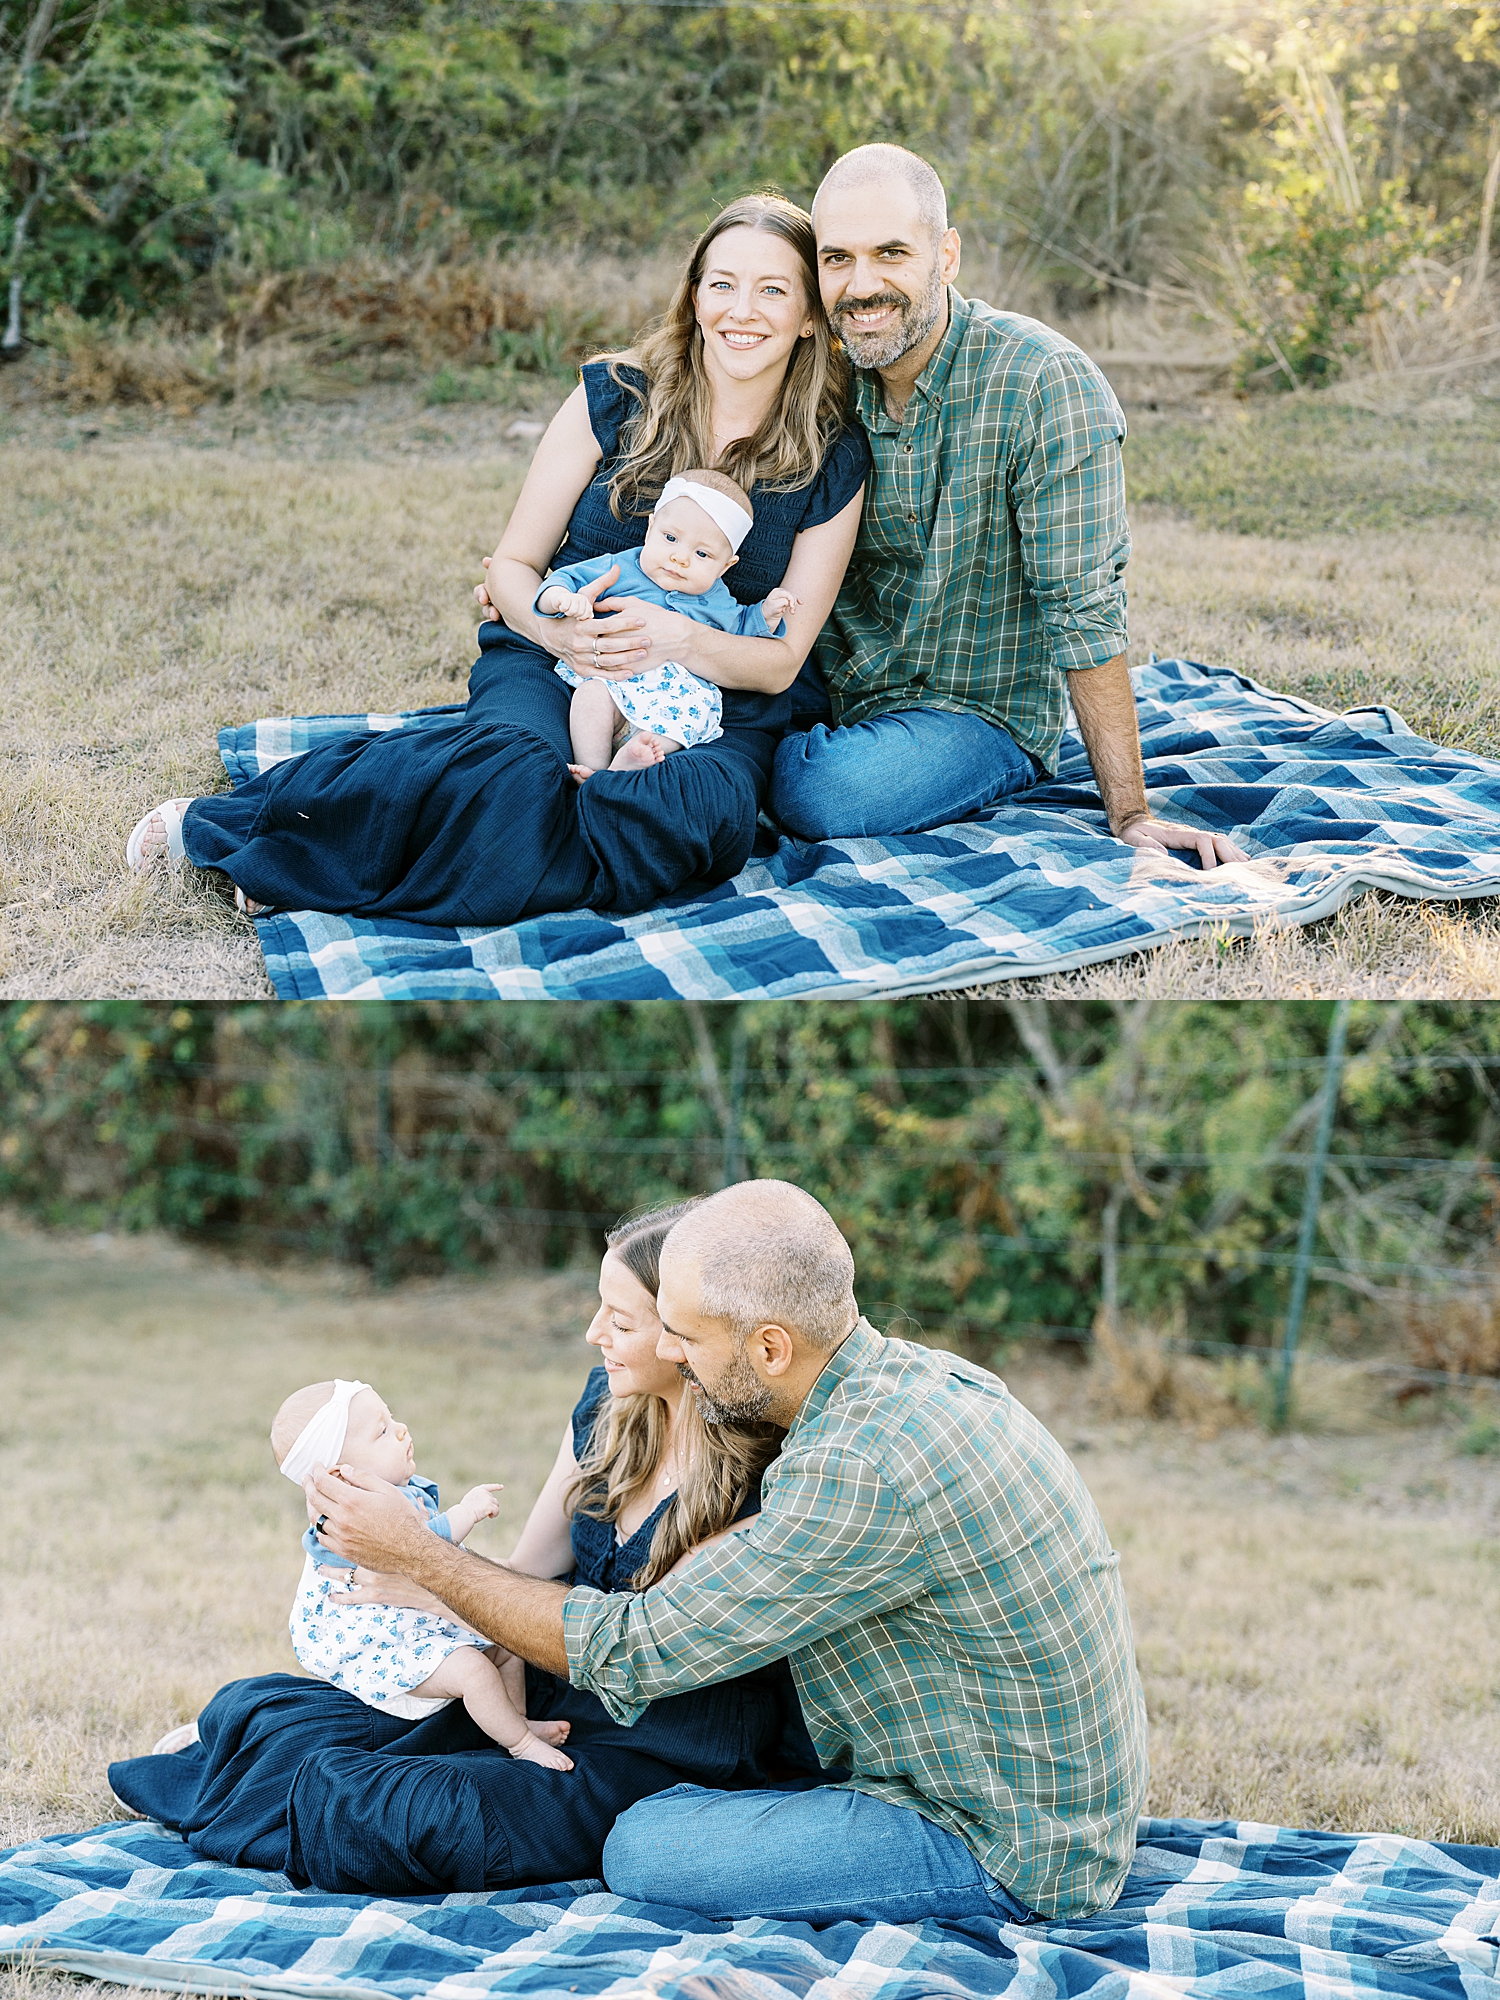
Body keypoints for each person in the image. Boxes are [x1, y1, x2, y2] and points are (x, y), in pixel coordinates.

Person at [308, 1178, 1151, 1929]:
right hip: (1052, 1798)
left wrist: (422, 1555)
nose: (669, 1353)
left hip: (1003, 1843)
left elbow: (636, 1649)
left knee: (646, 1846)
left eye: (685, 1336)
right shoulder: (919, 1383)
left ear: (770, 1348)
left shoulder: (853, 1470)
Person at [123, 193, 868, 924]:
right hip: (553, 662)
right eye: (723, 284)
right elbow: (512, 566)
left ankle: (355, 853)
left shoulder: (832, 455)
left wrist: (685, 641)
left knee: (695, 815)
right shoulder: (613, 396)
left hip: (709, 710)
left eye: (773, 290)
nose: (743, 311)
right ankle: (263, 827)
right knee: (514, 780)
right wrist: (559, 634)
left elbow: (780, 660)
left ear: (808, 317)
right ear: (695, 296)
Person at [107, 1203, 825, 1895]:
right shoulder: (609, 1406)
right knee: (264, 1708)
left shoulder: (770, 1475)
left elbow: (649, 1647)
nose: (591, 1332)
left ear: (683, 1332)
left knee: (397, 1811)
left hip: (662, 1740)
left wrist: (430, 1570)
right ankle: (253, 1769)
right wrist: (412, 1575)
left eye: (622, 1319)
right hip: (546, 1679)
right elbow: (528, 1571)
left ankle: (253, 1787)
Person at [767, 142, 1249, 871]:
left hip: (972, 711)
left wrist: (1130, 812)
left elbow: (1084, 607)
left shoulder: (1042, 385)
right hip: (828, 677)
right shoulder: (817, 377)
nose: (861, 286)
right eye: (838, 259)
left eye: (891, 253)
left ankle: (756, 761)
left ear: (947, 256)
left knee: (823, 795)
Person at [273, 1377, 571, 1767]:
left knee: (506, 1647)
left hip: (422, 1623)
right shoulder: (348, 1521)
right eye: (382, 1431)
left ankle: (517, 1722)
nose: (401, 1430)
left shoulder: (394, 1493)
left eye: (391, 1418)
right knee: (474, 1671)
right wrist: (468, 1510)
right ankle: (520, 1746)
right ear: (342, 1476)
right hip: (388, 1646)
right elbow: (426, 1545)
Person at [539, 471, 800, 779]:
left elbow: (742, 627)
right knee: (590, 697)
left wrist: (766, 614)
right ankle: (594, 771)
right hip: (614, 684)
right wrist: (560, 599)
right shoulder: (619, 568)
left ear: (725, 566)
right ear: (650, 529)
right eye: (671, 538)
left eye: (702, 553)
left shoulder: (717, 600)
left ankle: (631, 758)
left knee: (693, 714)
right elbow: (565, 578)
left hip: (674, 700)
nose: (680, 558)